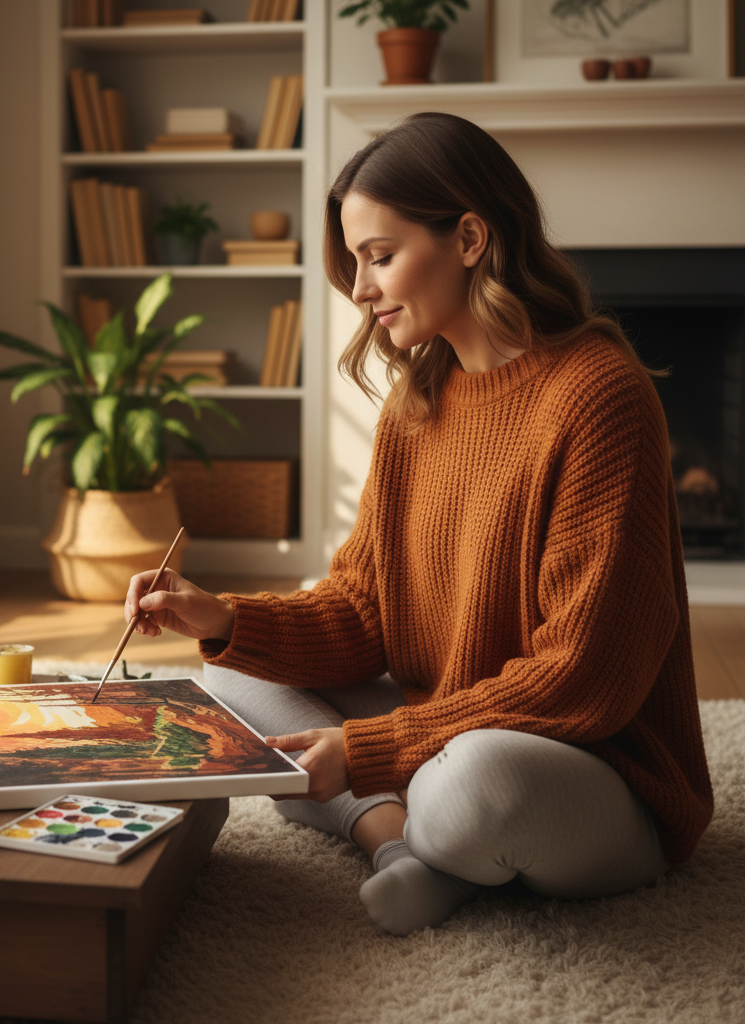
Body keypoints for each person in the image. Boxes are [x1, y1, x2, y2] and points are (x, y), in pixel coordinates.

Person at [123, 112, 714, 936]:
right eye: (358, 263)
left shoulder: (598, 394)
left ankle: (411, 822)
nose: (361, 291)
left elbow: (587, 677)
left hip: (595, 771)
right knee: (222, 684)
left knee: (468, 784)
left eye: (380, 256)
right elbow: (365, 614)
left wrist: (374, 750)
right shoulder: (418, 403)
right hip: (449, 726)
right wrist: (219, 615)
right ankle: (398, 846)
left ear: (470, 237)